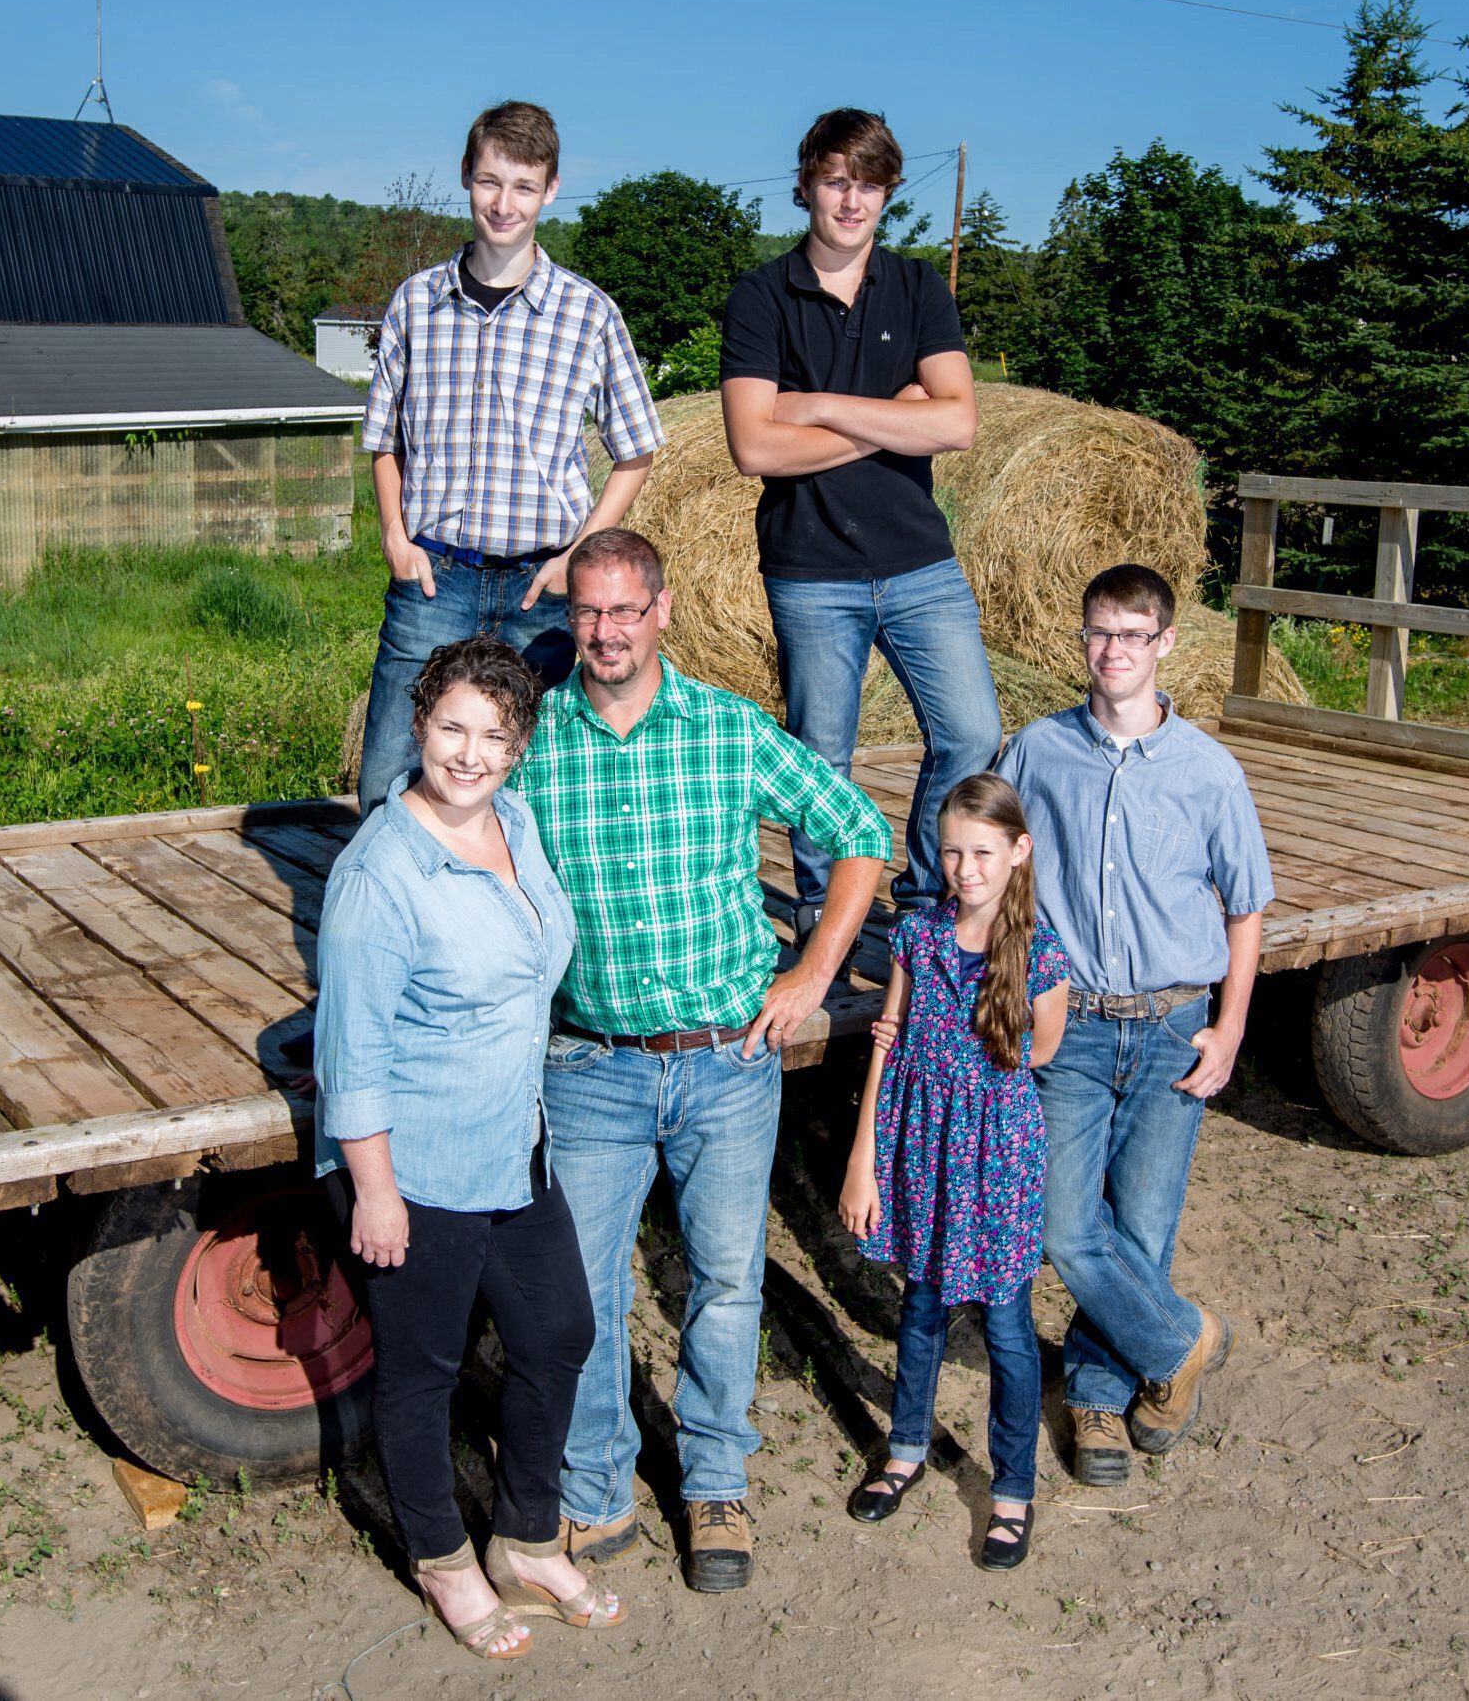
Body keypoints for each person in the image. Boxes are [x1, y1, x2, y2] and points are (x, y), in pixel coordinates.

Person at [507, 527, 893, 1593]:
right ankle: (595, 1488)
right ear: (570, 617)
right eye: (588, 612)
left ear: (663, 611)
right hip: (588, 1066)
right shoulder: (534, 743)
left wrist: (814, 970)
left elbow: (858, 829)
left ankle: (715, 1482)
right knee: (581, 1296)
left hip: (727, 1063)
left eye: (627, 610)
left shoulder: (726, 730)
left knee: (724, 1284)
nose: (607, 632)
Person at [313, 637, 621, 1659]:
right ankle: (443, 1560)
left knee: (557, 1338)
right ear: (416, 725)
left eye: (493, 734)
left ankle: (526, 1540)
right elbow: (350, 1052)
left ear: (518, 747)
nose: (469, 751)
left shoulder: (515, 823)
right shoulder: (380, 874)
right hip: (418, 1168)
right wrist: (376, 1191)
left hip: (513, 1151)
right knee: (422, 1375)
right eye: (451, 727)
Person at [995, 564, 1273, 1487]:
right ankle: (1183, 1340)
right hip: (1069, 1028)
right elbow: (1001, 874)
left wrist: (1230, 1028)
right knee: (1063, 1226)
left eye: (1132, 634)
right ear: (1081, 641)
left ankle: (1102, 1400)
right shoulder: (1036, 751)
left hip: (1170, 1025)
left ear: (1165, 644)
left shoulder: (1208, 769)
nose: (1112, 651)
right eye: (1098, 633)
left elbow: (1246, 906)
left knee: (1144, 1226)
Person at [719, 106, 1000, 944]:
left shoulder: (918, 288)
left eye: (869, 183)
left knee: (973, 732)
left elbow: (957, 424)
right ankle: (819, 912)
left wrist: (821, 408)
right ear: (806, 183)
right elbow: (752, 445)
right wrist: (892, 413)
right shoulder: (763, 295)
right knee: (820, 761)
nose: (852, 199)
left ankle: (918, 897)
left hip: (919, 560)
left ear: (887, 193)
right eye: (837, 179)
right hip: (810, 569)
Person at [356, 99, 664, 813]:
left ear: (550, 189)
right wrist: (395, 538)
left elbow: (638, 450)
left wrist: (577, 557)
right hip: (437, 578)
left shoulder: (588, 313)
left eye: (524, 186)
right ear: (467, 175)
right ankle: (388, 922)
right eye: (491, 181)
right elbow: (383, 441)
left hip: (543, 588)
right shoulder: (415, 303)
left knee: (539, 779)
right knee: (390, 772)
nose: (505, 203)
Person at [839, 773, 1071, 1571]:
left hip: (996, 1158)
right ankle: (904, 1447)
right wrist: (864, 1154)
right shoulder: (918, 933)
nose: (965, 868)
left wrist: (971, 1094)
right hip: (920, 1147)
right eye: (951, 851)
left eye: (982, 851)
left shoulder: (1039, 953)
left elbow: (1036, 1052)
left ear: (1018, 851)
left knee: (1007, 1329)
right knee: (923, 1307)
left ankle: (1011, 1489)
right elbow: (888, 1038)